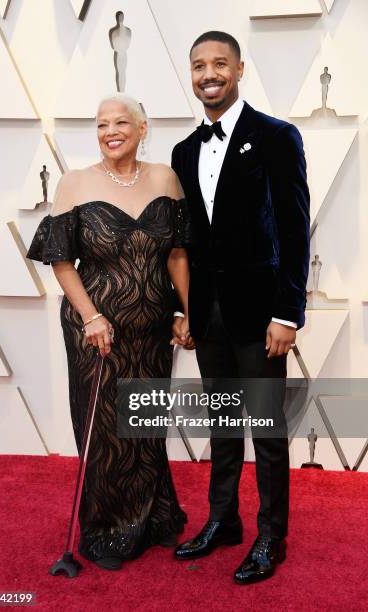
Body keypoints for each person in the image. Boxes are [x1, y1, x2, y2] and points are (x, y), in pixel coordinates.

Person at [26, 94, 191, 570]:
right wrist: (92, 316)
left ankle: (153, 517)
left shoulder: (165, 177)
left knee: (146, 423)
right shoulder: (75, 183)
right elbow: (60, 260)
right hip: (96, 326)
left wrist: (187, 312)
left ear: (143, 128)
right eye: (101, 124)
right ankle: (107, 527)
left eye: (121, 122)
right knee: (104, 431)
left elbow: (177, 254)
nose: (110, 131)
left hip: (154, 327)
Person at [171, 31, 310, 584]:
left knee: (267, 430)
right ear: (192, 74)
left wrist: (287, 313)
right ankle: (223, 520)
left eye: (220, 64)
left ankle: (271, 535)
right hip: (209, 316)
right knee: (223, 426)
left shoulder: (276, 136)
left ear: (239, 69)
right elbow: (185, 244)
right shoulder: (184, 151)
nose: (210, 73)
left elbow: (296, 228)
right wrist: (184, 312)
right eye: (200, 65)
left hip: (260, 314)